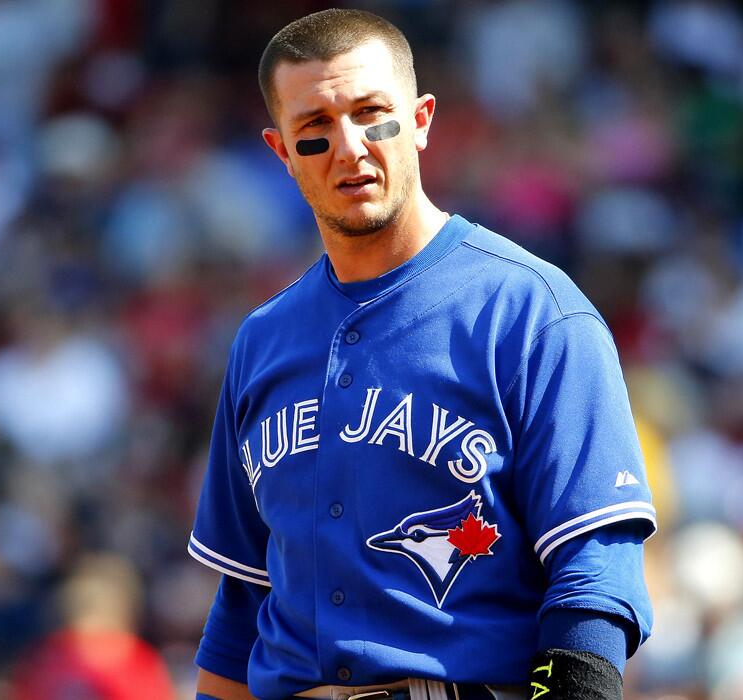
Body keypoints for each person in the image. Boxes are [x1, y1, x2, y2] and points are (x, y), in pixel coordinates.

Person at [187, 9, 655, 700]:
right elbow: (242, 603)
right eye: (314, 128)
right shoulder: (263, 339)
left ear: (422, 119)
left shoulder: (531, 311)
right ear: (281, 151)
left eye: (372, 113)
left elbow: (594, 574)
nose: (349, 147)